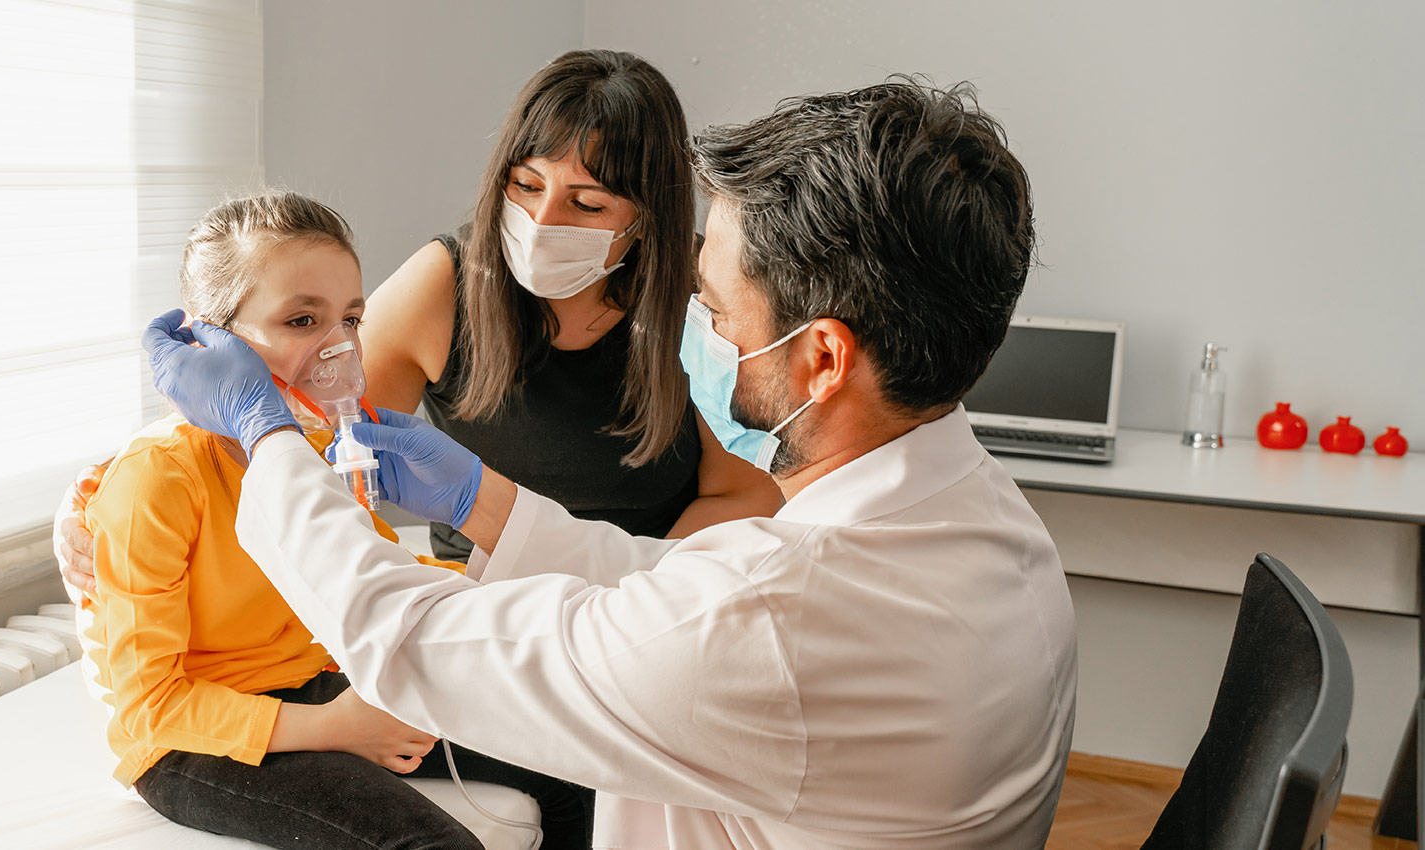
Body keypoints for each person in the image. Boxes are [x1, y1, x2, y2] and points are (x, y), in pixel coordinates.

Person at [140, 79, 1078, 849]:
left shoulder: (768, 618)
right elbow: (680, 589)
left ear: (821, 358)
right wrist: (481, 500)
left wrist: (262, 432)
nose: (691, 328)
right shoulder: (987, 518)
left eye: (713, 308)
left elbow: (411, 643)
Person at [55, 49, 781, 591]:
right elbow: (292, 412)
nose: (542, 221)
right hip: (488, 601)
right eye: (525, 185)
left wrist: (639, 585)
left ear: (647, 216)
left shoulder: (703, 298)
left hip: (652, 594)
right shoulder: (449, 285)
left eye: (587, 204)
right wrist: (115, 487)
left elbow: (751, 490)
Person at [82, 190, 592, 850]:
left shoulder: (317, 451)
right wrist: (337, 726)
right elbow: (150, 706)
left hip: (318, 683)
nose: (340, 348)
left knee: (579, 768)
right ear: (211, 343)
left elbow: (376, 580)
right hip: (197, 739)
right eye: (302, 320)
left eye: (350, 319)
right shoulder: (159, 477)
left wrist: (502, 596)